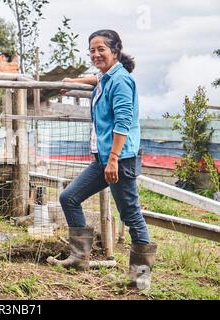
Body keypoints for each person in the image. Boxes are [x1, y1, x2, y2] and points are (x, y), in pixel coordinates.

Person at [47, 30, 157, 289]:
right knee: (69, 197)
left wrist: (114, 160)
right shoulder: (107, 78)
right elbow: (96, 79)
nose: (96, 54)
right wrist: (72, 81)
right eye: (92, 50)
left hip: (119, 160)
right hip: (104, 159)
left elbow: (123, 122)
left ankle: (140, 280)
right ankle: (79, 257)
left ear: (115, 52)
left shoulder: (120, 82)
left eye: (101, 50)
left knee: (131, 216)